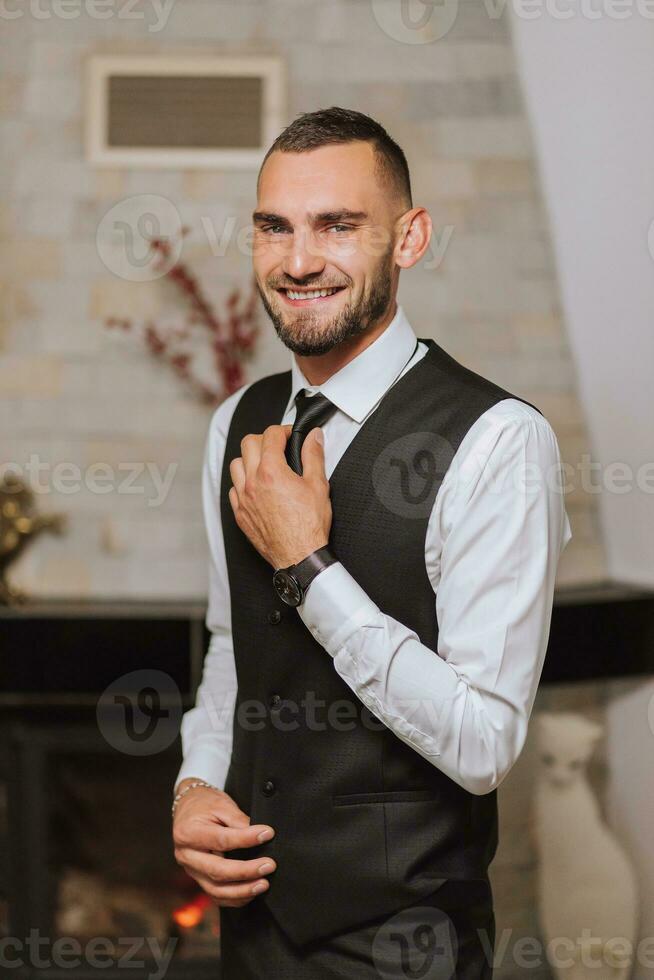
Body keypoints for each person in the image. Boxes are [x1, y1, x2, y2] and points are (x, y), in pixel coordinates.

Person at [171, 106, 571, 978]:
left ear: (410, 237)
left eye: (338, 226)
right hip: (250, 939)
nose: (299, 260)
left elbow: (482, 745)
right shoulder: (235, 424)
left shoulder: (498, 440)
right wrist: (196, 782)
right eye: (274, 228)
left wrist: (309, 566)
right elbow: (233, 646)